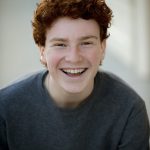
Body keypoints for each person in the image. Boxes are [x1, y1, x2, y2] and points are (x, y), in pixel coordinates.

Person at [0, 0, 149, 149]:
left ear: (102, 48)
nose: (74, 58)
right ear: (42, 51)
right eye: (60, 44)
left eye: (86, 43)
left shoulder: (130, 110)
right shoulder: (5, 109)